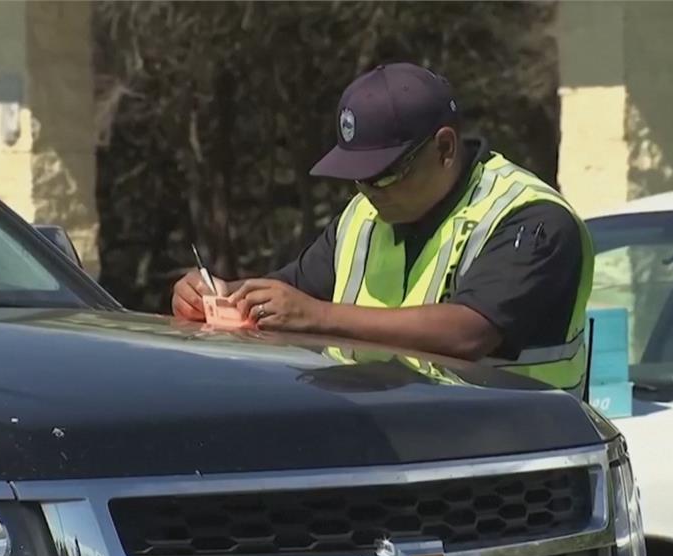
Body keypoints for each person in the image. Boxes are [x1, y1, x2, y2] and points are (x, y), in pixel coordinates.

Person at [172, 62, 594, 392]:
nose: (369, 191)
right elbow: (288, 295)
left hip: (520, 469)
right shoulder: (363, 217)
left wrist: (317, 316)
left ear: (444, 148)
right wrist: (222, 295)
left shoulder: (530, 218)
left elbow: (470, 332)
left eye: (384, 174)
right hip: (396, 457)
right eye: (358, 177)